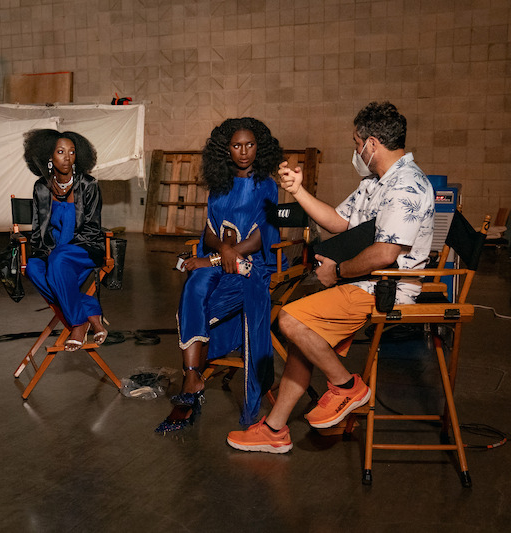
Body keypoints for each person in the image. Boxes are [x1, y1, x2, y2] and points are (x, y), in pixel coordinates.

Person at [226, 101, 435, 453]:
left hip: (386, 289)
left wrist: (337, 271)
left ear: (372, 144)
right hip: (363, 282)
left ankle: (346, 387)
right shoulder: (375, 183)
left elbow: (386, 254)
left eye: (357, 143)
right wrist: (298, 191)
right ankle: (275, 430)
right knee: (303, 338)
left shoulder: (407, 186)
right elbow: (338, 222)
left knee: (291, 320)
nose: (356, 151)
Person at [156, 117, 285, 433]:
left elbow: (262, 235)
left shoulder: (266, 185)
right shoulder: (219, 185)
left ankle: (194, 374)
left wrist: (223, 255)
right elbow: (210, 231)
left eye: (250, 144)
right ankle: (192, 376)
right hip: (219, 260)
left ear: (259, 147)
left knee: (200, 307)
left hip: (252, 266)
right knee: (195, 285)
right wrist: (219, 253)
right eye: (237, 145)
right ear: (226, 149)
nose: (244, 152)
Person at [22, 129, 107, 350]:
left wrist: (60, 252)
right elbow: (38, 228)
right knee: (33, 268)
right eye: (60, 152)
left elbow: (92, 228)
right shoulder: (41, 187)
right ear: (49, 156)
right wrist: (47, 251)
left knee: (59, 261)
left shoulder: (88, 185)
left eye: (72, 152)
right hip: (53, 250)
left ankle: (78, 323)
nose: (67, 157)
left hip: (84, 248)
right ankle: (90, 308)